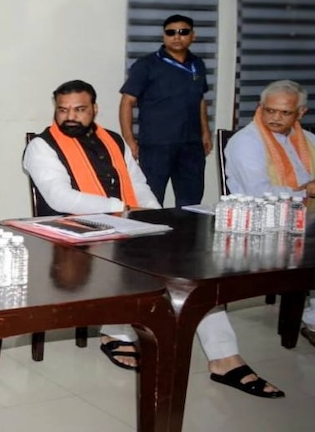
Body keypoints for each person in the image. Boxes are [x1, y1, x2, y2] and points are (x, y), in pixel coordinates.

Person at [24, 80, 284, 398]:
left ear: (95, 109)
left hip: (125, 225)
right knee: (153, 265)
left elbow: (138, 183)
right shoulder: (41, 146)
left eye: (79, 109)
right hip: (75, 234)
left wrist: (154, 216)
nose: (70, 117)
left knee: (193, 270)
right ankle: (117, 331)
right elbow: (60, 197)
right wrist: (123, 208)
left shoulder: (113, 139)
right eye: (63, 110)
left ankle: (225, 356)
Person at [224, 79, 315, 347]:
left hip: (306, 217)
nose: (275, 118)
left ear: (301, 113)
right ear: (260, 107)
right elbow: (259, 194)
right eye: (270, 110)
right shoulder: (247, 142)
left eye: (285, 113)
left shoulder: (308, 140)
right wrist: (306, 191)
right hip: (264, 220)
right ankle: (312, 321)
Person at [119, 14, 212, 206]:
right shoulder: (146, 65)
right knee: (150, 201)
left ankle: (187, 228)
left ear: (193, 35)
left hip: (191, 146)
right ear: (164, 36)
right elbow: (127, 102)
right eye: (171, 32)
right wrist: (129, 140)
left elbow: (200, 100)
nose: (177, 37)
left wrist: (205, 133)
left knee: (191, 202)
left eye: (183, 32)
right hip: (156, 146)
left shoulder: (197, 65)